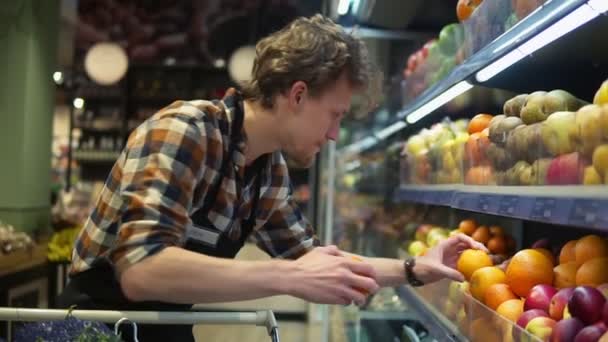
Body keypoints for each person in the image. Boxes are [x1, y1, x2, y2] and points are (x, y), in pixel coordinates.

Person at [58, 14, 487, 342]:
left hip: (164, 327)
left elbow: (316, 261)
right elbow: (141, 270)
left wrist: (415, 268)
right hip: (92, 326)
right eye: (334, 114)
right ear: (298, 95)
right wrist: (288, 277)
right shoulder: (186, 130)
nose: (336, 133)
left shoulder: (267, 170)